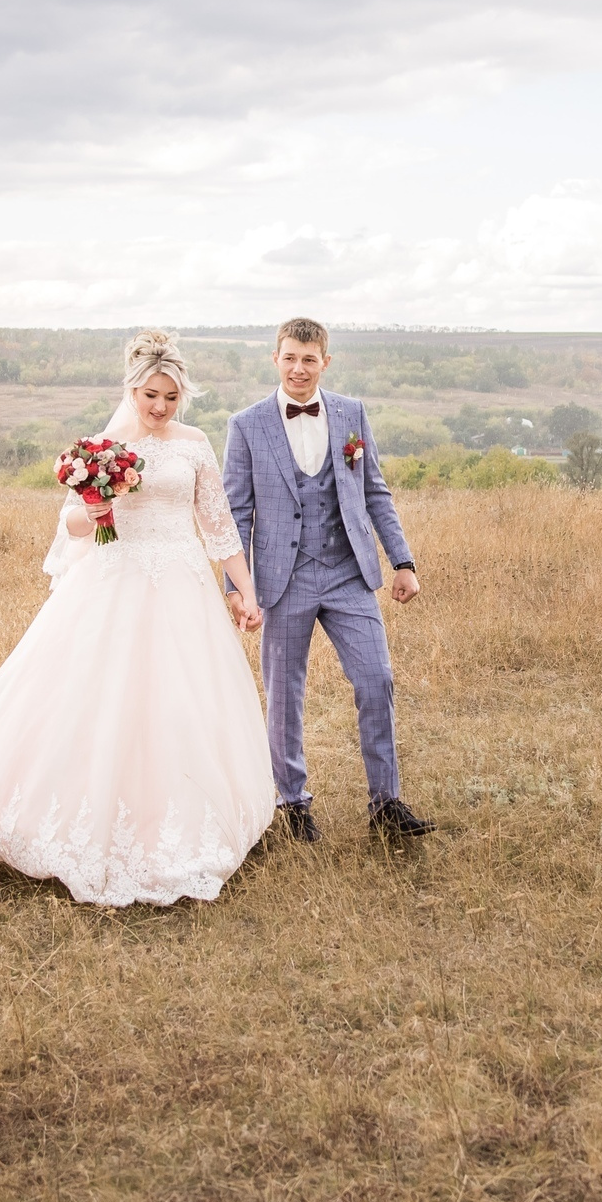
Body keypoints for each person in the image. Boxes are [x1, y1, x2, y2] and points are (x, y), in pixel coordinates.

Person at [0, 331, 277, 905]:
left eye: (171, 398)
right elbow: (71, 523)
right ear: (132, 389)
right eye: (151, 395)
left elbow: (219, 528)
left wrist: (245, 592)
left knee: (180, 700)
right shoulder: (100, 446)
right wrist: (96, 508)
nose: (160, 408)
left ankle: (186, 815)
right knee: (93, 696)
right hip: (113, 580)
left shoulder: (195, 444)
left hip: (182, 584)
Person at [222, 317, 434, 842]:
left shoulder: (350, 413)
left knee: (376, 680)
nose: (299, 368)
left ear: (325, 362)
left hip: (348, 574)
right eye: (290, 357)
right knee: (285, 694)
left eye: (309, 359)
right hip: (282, 579)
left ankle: (386, 804)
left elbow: (376, 493)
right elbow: (235, 513)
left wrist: (402, 562)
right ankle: (292, 805)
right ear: (275, 358)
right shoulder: (246, 425)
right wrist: (238, 590)